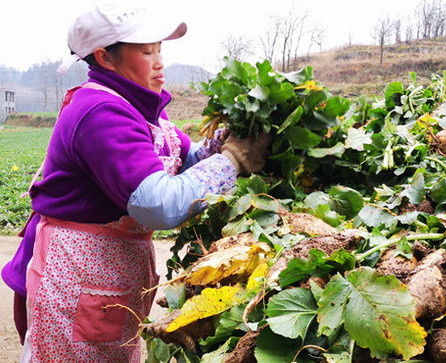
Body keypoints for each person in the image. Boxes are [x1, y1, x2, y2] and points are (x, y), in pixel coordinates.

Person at [1, 3, 269, 362]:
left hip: (107, 282)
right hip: (79, 280)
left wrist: (223, 144)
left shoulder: (141, 109)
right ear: (105, 58)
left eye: (160, 49)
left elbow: (183, 161)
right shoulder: (101, 112)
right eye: (147, 51)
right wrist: (231, 161)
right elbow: (158, 203)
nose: (159, 61)